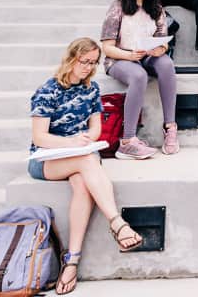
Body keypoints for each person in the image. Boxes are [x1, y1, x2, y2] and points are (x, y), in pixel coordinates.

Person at [28, 38, 143, 295]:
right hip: (46, 160)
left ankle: (72, 260)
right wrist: (70, 142)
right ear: (71, 59)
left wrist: (87, 139)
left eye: (93, 63)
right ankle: (116, 223)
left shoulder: (91, 89)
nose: (88, 68)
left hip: (82, 155)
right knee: (87, 161)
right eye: (84, 62)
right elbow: (40, 137)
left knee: (82, 183)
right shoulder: (48, 90)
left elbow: (96, 129)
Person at [101, 0, 179, 160]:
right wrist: (129, 56)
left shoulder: (157, 9)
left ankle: (170, 126)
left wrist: (159, 49)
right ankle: (128, 141)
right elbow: (107, 47)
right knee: (138, 75)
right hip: (120, 58)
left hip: (146, 56)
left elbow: (164, 42)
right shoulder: (118, 7)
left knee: (167, 64)